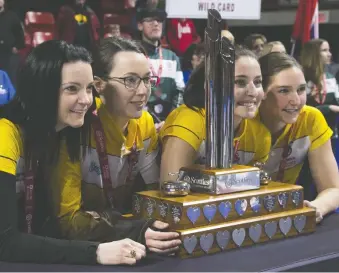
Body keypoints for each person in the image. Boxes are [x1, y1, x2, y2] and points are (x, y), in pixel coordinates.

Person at [0, 40, 150, 265]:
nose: (86, 100)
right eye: (72, 88)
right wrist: (96, 253)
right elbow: (5, 242)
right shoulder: (5, 134)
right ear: (42, 90)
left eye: (89, 87)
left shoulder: (61, 132)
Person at [48, 37, 181, 254]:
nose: (143, 91)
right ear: (99, 85)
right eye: (130, 80)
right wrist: (133, 229)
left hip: (128, 245)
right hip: (80, 252)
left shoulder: (145, 123)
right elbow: (68, 222)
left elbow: (154, 194)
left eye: (147, 79)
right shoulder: (76, 126)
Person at [159, 47, 271, 182]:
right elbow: (170, 188)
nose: (253, 92)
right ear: (211, 86)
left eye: (258, 82)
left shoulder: (260, 134)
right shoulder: (189, 119)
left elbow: (254, 191)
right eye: (240, 82)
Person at [258, 52, 339, 223]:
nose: (296, 100)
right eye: (284, 91)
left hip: (287, 217)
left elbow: (333, 188)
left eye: (301, 89)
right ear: (261, 91)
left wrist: (316, 207)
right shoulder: (240, 122)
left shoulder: (311, 118)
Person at [137, 8, 185, 121]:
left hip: (168, 122)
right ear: (140, 25)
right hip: (140, 121)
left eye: (159, 20)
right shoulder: (134, 55)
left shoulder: (172, 57)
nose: (155, 24)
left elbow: (180, 91)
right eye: (150, 20)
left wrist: (171, 120)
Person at [300, 39, 339, 133]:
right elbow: (300, 110)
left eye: (329, 50)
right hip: (307, 133)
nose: (329, 54)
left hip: (330, 132)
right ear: (313, 53)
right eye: (324, 50)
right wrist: (328, 108)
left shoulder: (330, 77)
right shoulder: (301, 78)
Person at [0, 0, 25, 84]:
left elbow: (20, 34)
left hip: (8, 53)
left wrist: (17, 46)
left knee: (10, 77)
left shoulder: (12, 16)